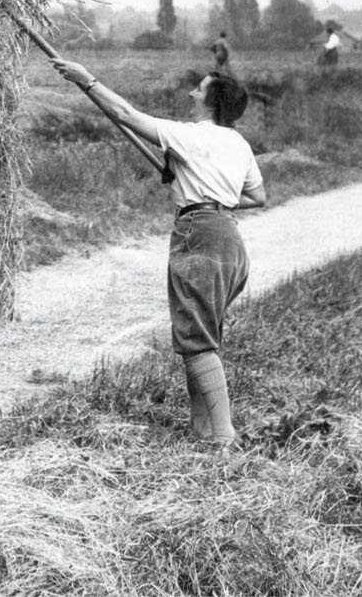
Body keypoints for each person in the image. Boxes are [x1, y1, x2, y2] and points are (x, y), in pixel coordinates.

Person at [50, 59, 266, 449]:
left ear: (211, 103)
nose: (191, 93)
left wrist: (87, 78)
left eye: (198, 90)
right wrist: (202, 187)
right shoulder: (238, 144)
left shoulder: (190, 136)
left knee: (196, 340)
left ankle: (222, 437)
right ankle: (203, 430)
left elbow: (123, 113)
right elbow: (256, 197)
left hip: (199, 236)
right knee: (200, 336)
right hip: (230, 240)